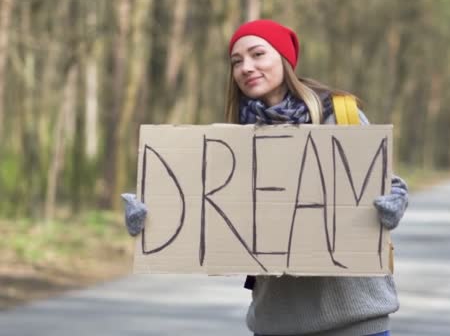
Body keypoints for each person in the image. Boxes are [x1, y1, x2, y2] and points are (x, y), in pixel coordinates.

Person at [123, 19, 409, 336]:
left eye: (258, 54)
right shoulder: (232, 141)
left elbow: (388, 186)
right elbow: (204, 214)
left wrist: (394, 204)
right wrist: (150, 220)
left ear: (284, 60)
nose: (246, 67)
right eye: (236, 61)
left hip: (356, 323)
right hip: (276, 324)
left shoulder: (339, 117)